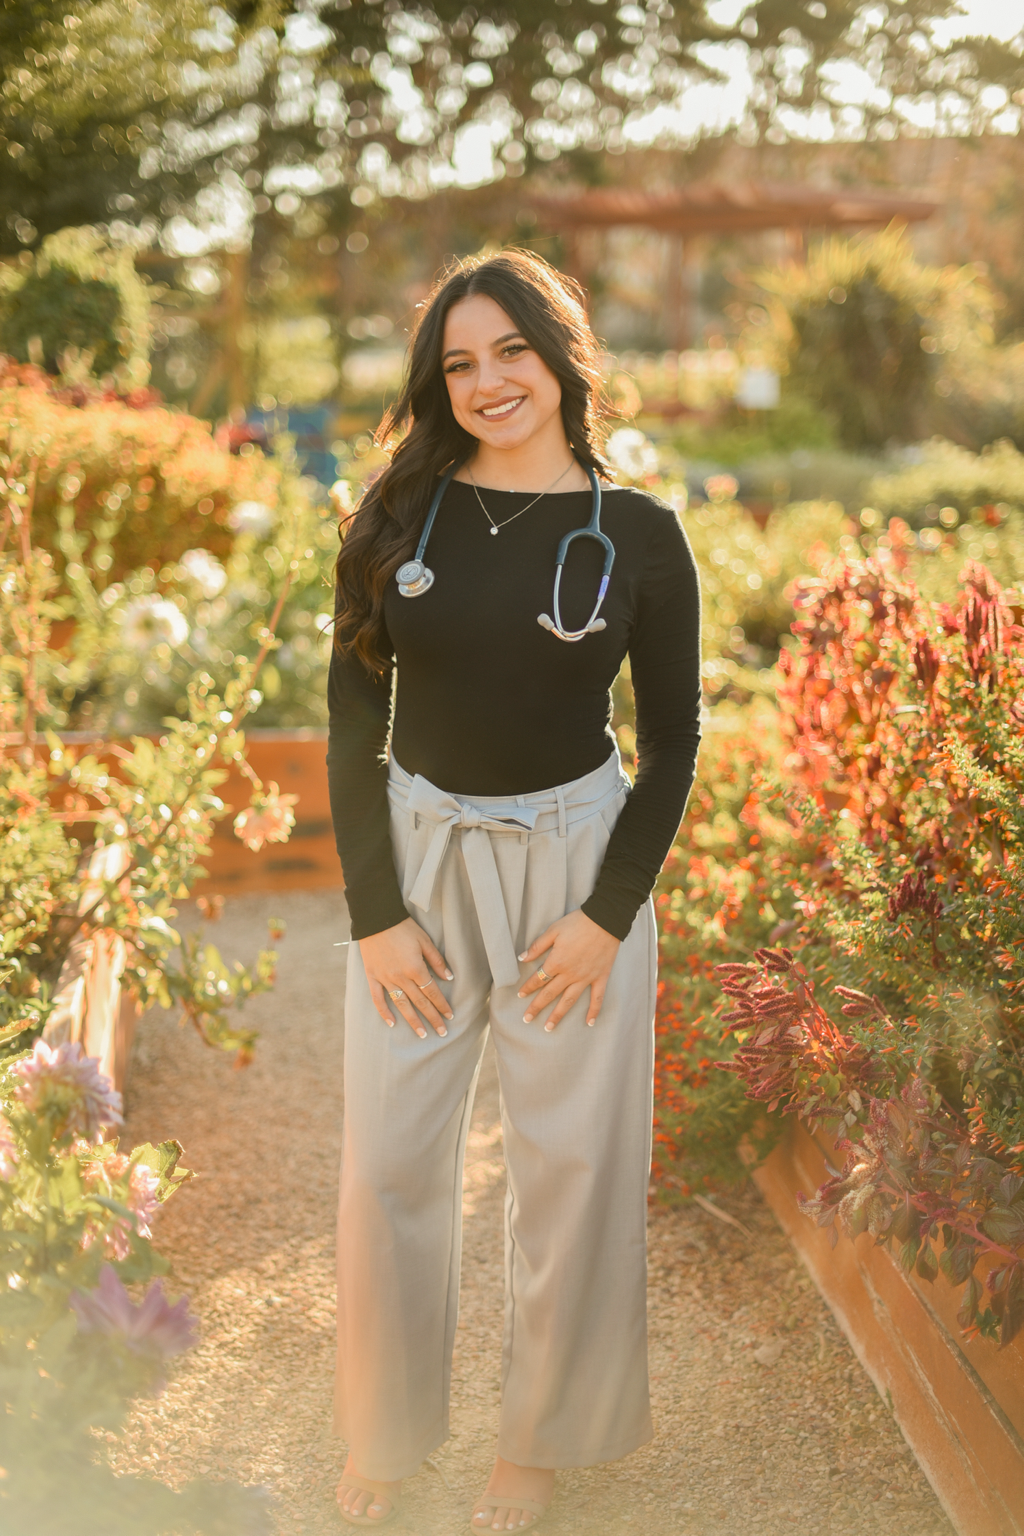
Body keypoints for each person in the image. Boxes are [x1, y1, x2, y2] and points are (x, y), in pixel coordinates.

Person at [327, 249, 701, 1532]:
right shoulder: (399, 517)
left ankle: (537, 1440)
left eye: (510, 353)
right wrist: (375, 915)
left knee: (572, 1166)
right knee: (388, 1162)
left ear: (560, 354)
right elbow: (347, 722)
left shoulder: (640, 535)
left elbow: (675, 745)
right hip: (421, 859)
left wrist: (608, 917)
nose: (487, 382)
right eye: (458, 363)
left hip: (572, 864)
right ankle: (385, 1431)